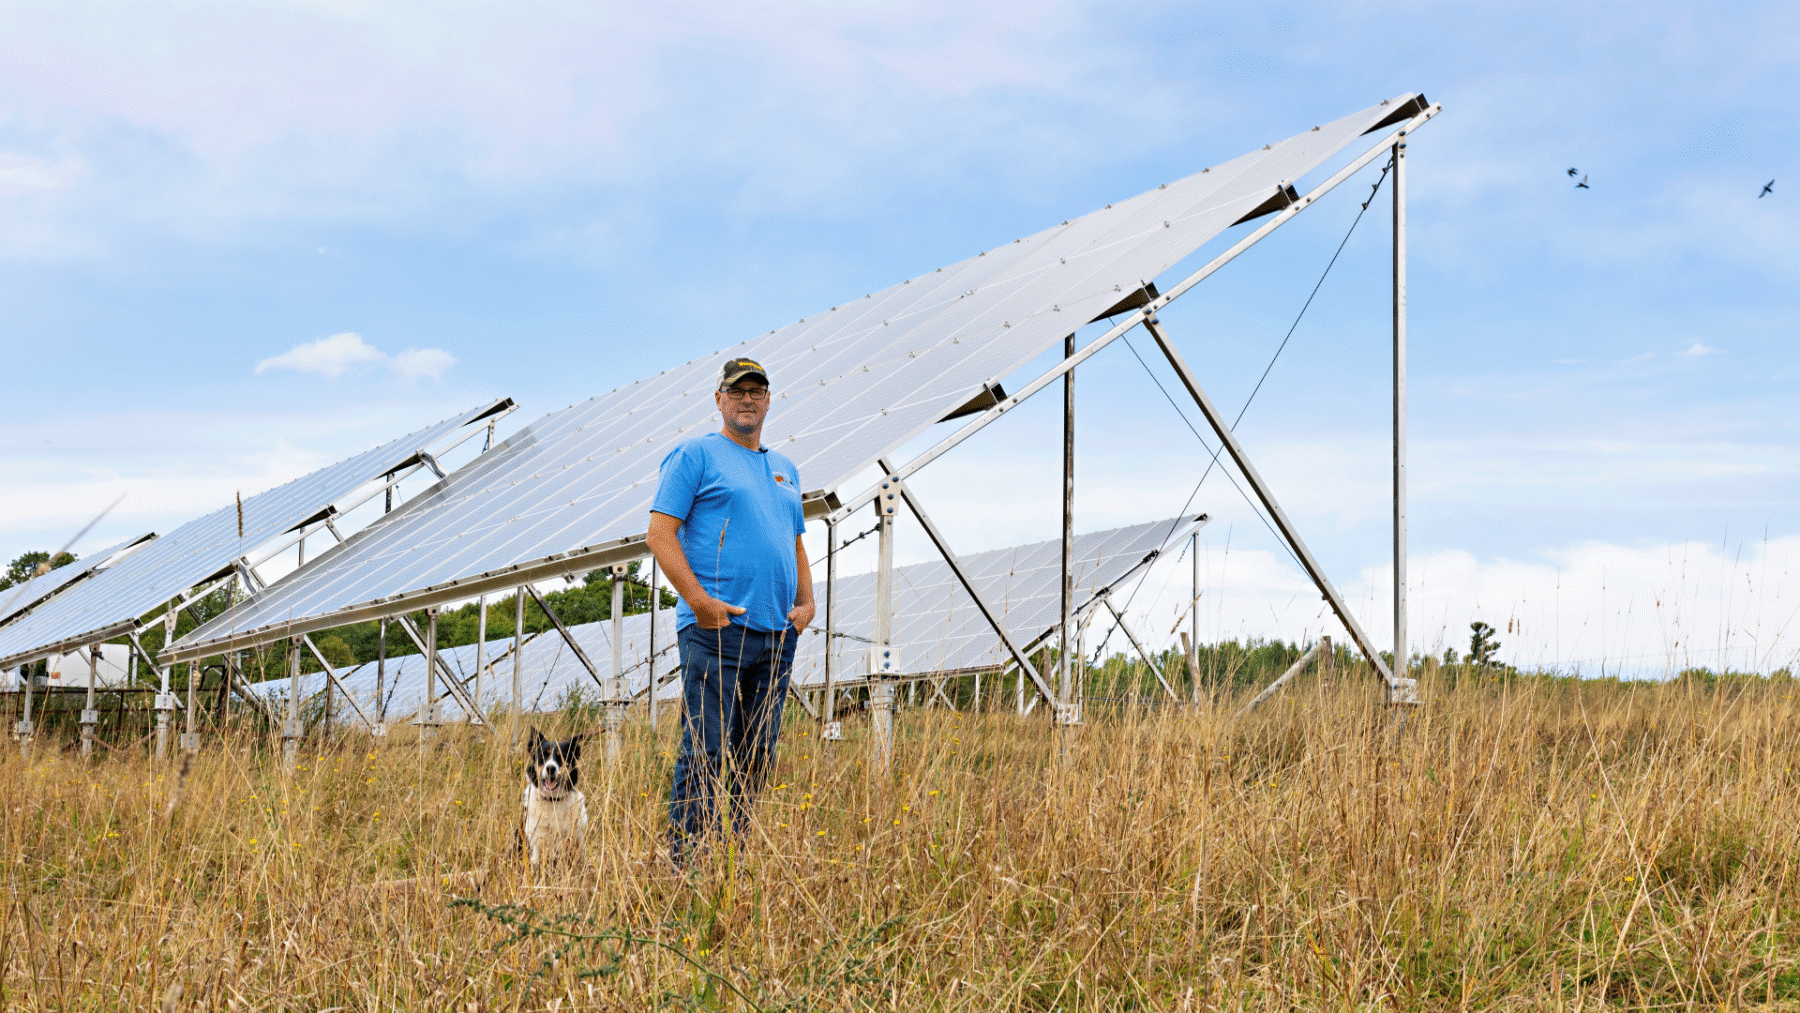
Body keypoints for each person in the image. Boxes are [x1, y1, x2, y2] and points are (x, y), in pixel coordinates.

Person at [648, 356, 815, 863]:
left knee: (758, 752)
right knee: (706, 747)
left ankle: (739, 853)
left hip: (776, 633)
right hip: (716, 629)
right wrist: (699, 603)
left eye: (757, 391)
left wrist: (807, 602)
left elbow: (795, 541)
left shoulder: (785, 469)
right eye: (737, 391)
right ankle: (689, 858)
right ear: (719, 399)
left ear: (769, 400)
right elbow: (660, 533)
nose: (747, 399)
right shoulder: (695, 455)